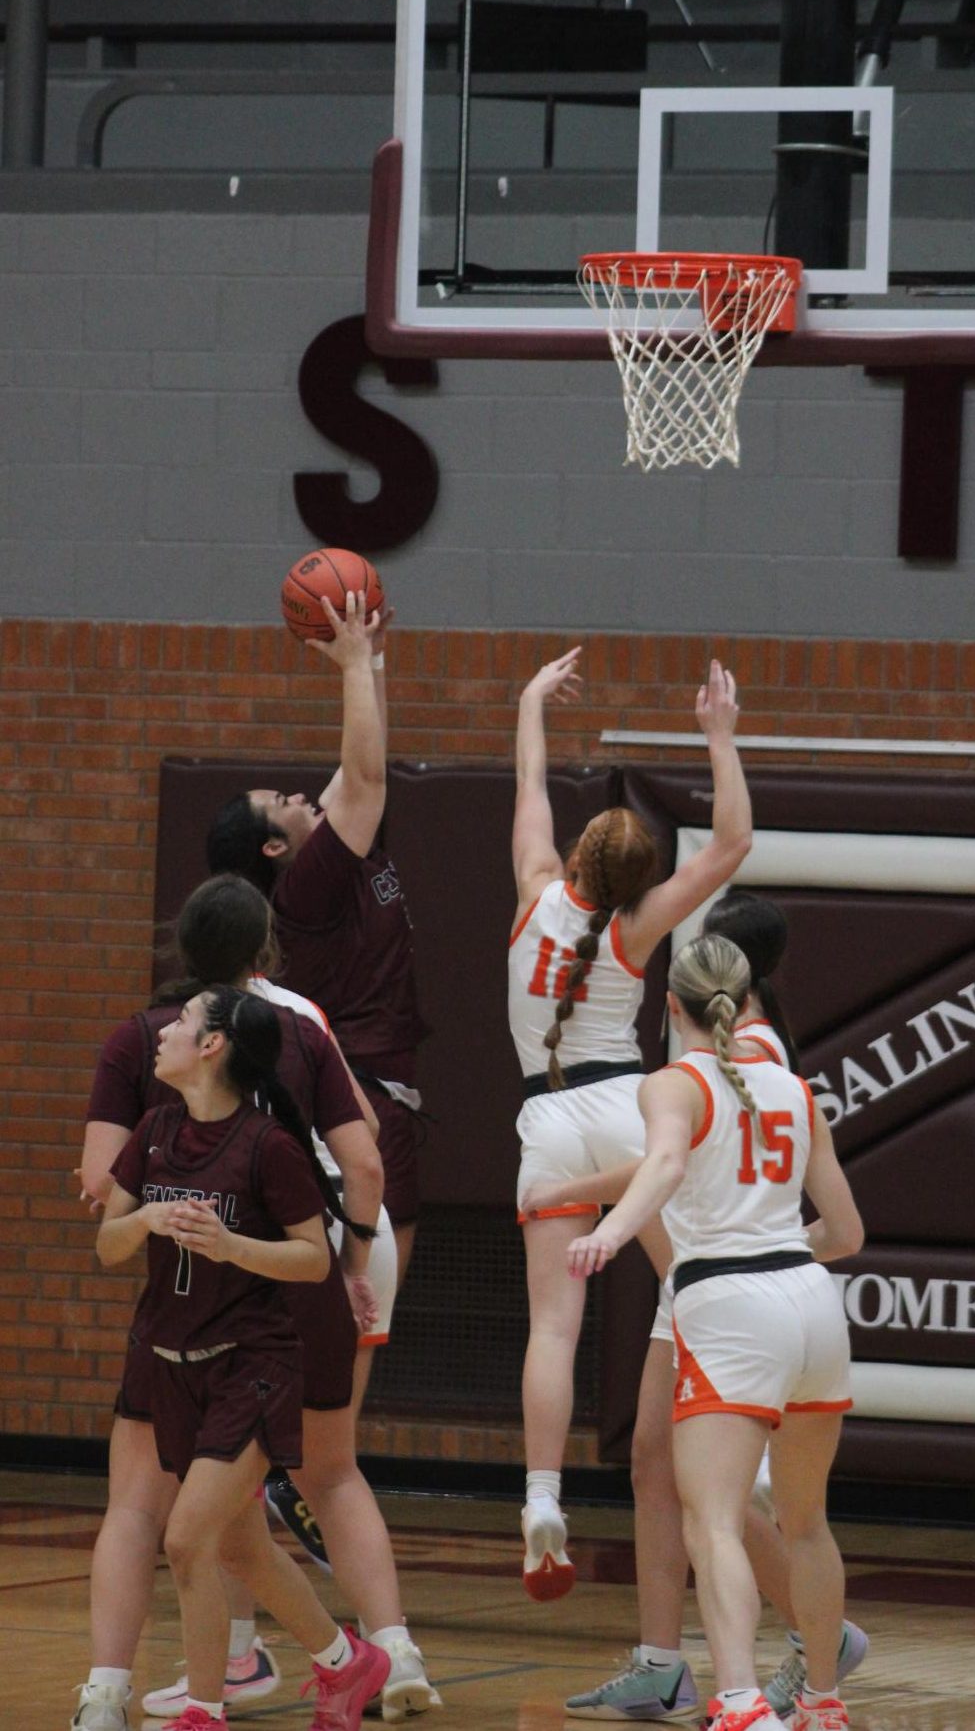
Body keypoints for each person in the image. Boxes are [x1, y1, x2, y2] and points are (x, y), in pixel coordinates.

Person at [73, 877, 439, 1731]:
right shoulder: (287, 1039)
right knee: (258, 1514)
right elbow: (368, 1165)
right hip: (187, 1332)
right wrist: (360, 1262)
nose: (171, 1032)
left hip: (257, 1323)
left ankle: (133, 1691)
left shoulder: (230, 1103)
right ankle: (363, 1654)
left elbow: (96, 1181)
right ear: (262, 945)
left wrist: (267, 1248)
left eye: (184, 1027)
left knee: (163, 1518)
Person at [527, 893, 867, 1721]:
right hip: (795, 1290)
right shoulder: (784, 1079)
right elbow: (841, 1227)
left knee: (709, 1509)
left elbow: (671, 1162)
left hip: (720, 1285)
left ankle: (749, 1690)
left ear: (674, 1000)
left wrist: (605, 1230)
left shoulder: (711, 1066)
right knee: (662, 1460)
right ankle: (728, 1674)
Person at [509, 648, 751, 1600]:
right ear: (640, 879)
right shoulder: (635, 928)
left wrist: (530, 700)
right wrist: (719, 737)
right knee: (693, 1281)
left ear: (575, 858)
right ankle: (749, 1462)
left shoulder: (532, 891)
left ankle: (539, 1498)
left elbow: (529, 783)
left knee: (552, 1330)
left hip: (545, 1118)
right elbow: (732, 845)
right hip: (625, 1107)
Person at [206, 590, 425, 1306]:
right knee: (352, 1322)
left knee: (363, 1324)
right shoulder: (306, 889)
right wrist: (354, 663)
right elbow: (364, 779)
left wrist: (372, 660)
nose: (304, 796)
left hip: (386, 1102)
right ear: (275, 845)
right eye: (285, 802)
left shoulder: (320, 850)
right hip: (360, 1109)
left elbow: (368, 763)